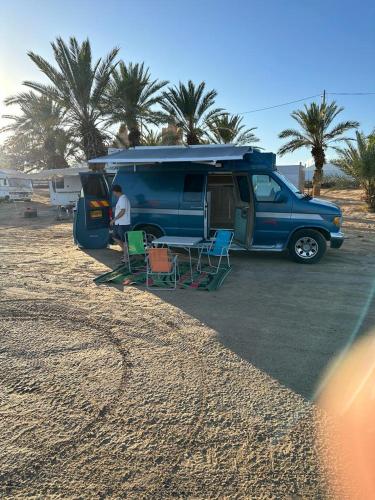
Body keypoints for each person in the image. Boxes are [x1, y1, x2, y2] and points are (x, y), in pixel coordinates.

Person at [110, 184, 131, 260]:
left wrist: (114, 219)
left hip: (123, 223)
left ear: (115, 191)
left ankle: (126, 257)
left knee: (124, 240)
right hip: (119, 223)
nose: (113, 194)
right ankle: (126, 253)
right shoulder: (121, 198)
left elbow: (123, 211)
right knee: (115, 237)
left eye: (113, 192)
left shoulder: (123, 199)